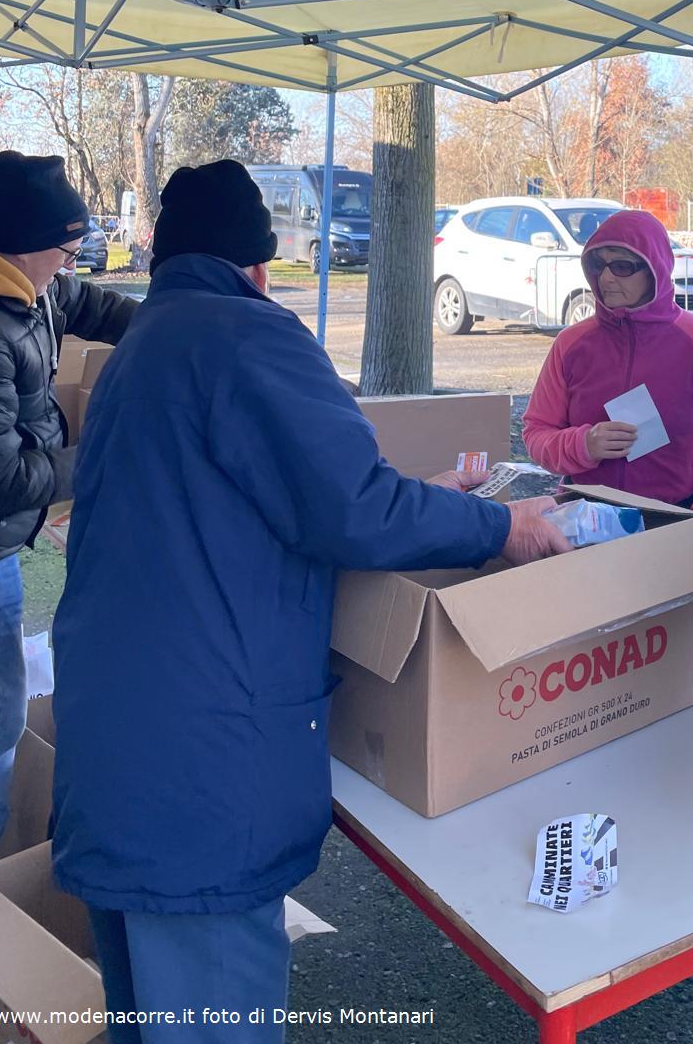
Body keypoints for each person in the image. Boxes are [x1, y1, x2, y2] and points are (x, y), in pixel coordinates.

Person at [50, 161, 568, 1043]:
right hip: (203, 771)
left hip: (122, 747)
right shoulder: (249, 334)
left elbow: (273, 492)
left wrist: (413, 500)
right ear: (258, 264)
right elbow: (351, 509)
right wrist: (498, 526)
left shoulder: (149, 338)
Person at [0, 151, 136, 862]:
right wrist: (100, 460)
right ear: (26, 247)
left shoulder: (33, 289)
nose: (71, 268)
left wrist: (177, 324)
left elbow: (93, 306)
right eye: (66, 254)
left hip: (0, 545)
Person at [522, 209, 693, 525]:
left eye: (622, 266)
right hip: (584, 517)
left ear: (655, 268)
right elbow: (536, 432)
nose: (606, 278)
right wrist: (584, 444)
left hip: (674, 517)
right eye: (598, 265)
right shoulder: (570, 343)